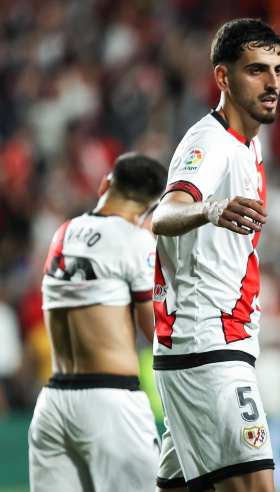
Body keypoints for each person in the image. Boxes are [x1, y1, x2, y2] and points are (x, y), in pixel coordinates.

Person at [150, 18, 280, 492]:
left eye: (278, 70)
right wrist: (211, 207)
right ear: (223, 77)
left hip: (210, 346)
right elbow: (164, 214)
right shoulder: (211, 143)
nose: (272, 84)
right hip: (208, 347)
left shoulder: (249, 145)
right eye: (257, 71)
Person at [29, 152, 166, 491]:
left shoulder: (64, 232)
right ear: (151, 208)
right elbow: (157, 335)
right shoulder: (137, 241)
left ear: (106, 182)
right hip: (111, 405)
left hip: (54, 403)